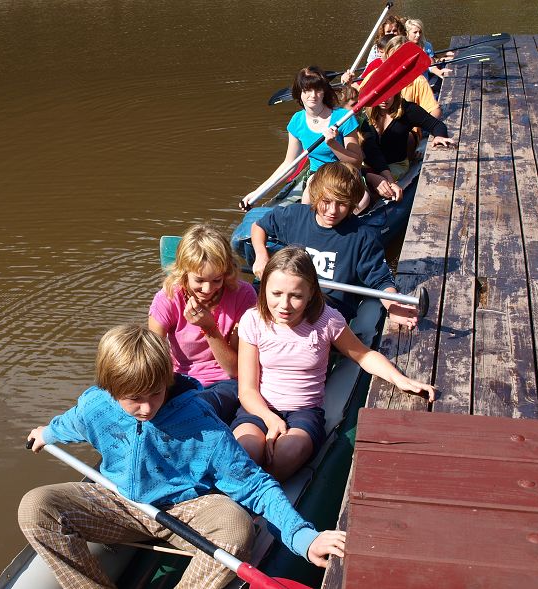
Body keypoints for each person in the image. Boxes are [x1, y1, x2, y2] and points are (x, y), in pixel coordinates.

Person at [20, 324, 347, 589]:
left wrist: (303, 537)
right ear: (110, 388)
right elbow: (73, 422)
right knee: (36, 506)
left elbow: (254, 485)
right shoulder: (96, 405)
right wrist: (47, 433)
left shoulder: (201, 423)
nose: (147, 408)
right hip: (120, 502)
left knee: (235, 525)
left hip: (184, 512)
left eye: (155, 393)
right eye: (134, 398)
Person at [231, 247, 436, 481]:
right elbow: (247, 390)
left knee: (287, 452)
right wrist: (270, 419)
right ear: (264, 288)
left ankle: (264, 493)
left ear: (311, 293)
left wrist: (399, 379)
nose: (284, 305)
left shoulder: (327, 320)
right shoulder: (253, 320)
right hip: (259, 408)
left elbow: (363, 355)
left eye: (296, 296)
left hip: (304, 412)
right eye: (276, 293)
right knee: (246, 448)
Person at [249, 162, 418, 330]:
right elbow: (259, 226)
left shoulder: (363, 237)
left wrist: (393, 307)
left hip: (329, 309)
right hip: (290, 298)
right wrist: (261, 255)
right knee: (247, 300)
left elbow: (380, 280)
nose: (332, 211)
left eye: (342, 203)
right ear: (315, 195)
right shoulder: (294, 215)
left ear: (352, 202)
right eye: (326, 201)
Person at [149, 224, 257, 423]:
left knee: (195, 408)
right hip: (179, 380)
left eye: (217, 280)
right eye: (199, 280)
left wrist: (209, 328)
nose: (208, 289)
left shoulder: (243, 295)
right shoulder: (168, 297)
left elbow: (235, 369)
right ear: (183, 273)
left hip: (225, 383)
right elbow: (152, 355)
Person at [240, 66, 362, 210]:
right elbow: (289, 164)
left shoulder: (343, 117)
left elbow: (356, 162)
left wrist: (333, 144)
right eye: (307, 90)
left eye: (318, 90)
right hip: (317, 176)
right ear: (299, 93)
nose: (313, 95)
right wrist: (258, 192)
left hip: (344, 173)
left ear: (324, 91)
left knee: (361, 203)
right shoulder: (296, 121)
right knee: (309, 197)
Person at [361, 91, 455, 200]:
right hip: (369, 164)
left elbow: (436, 125)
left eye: (388, 94)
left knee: (374, 192)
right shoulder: (364, 114)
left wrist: (439, 135)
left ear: (396, 91)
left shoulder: (408, 110)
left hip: (396, 164)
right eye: (380, 95)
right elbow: (370, 149)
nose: (384, 100)